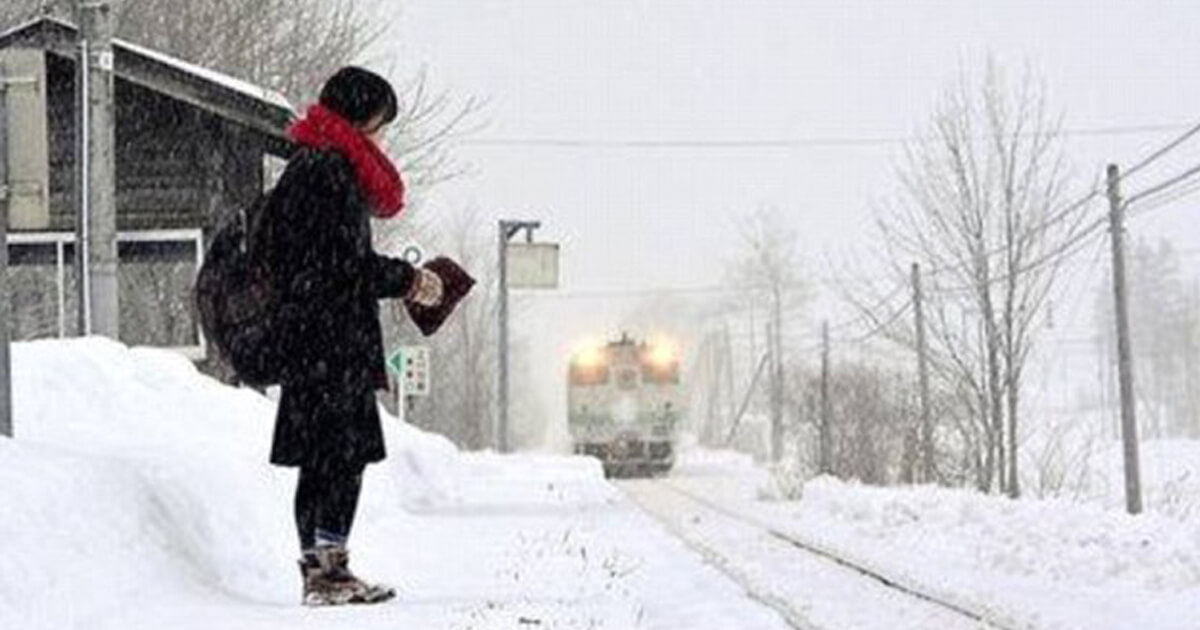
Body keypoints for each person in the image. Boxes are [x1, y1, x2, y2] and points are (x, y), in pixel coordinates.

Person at [261, 66, 443, 606]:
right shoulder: (333, 171)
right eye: (380, 124)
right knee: (342, 457)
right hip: (333, 342)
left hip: (305, 340)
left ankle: (318, 572)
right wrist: (409, 279)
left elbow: (310, 260)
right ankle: (331, 572)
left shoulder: (305, 165)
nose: (382, 137)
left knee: (318, 459)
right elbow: (345, 265)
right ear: (361, 118)